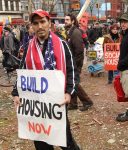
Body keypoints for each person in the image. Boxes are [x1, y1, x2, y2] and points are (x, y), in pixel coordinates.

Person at [11, 9, 80, 150]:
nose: (40, 26)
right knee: (41, 141)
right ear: (32, 26)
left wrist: (69, 92)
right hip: (36, 105)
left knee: (65, 141)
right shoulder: (28, 47)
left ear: (49, 23)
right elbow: (22, 71)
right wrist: (16, 93)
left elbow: (72, 70)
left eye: (43, 22)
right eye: (35, 23)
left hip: (56, 102)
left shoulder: (62, 44)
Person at [65, 14, 93, 111]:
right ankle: (73, 104)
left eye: (67, 20)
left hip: (75, 63)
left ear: (73, 21)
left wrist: (75, 65)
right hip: (71, 62)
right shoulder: (70, 32)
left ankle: (87, 101)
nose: (65, 21)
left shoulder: (75, 32)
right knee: (71, 82)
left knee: (74, 83)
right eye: (65, 19)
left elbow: (79, 50)